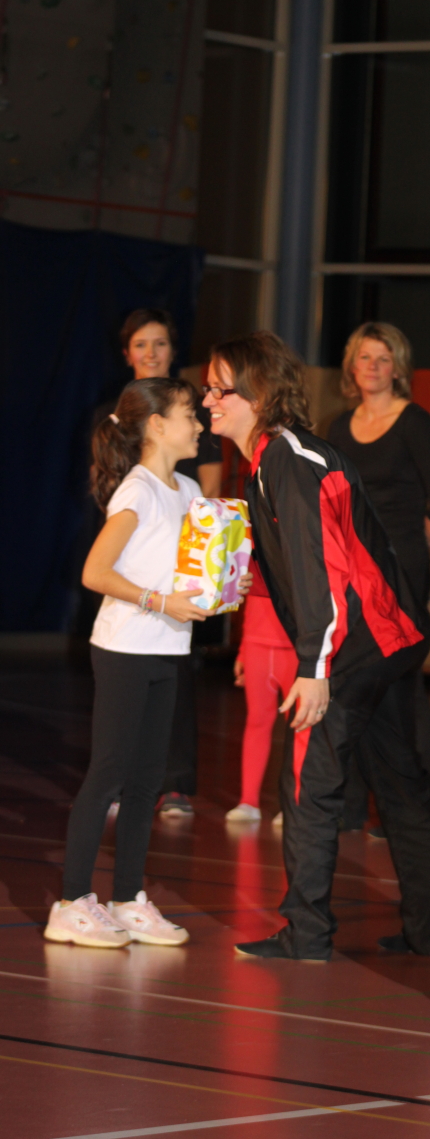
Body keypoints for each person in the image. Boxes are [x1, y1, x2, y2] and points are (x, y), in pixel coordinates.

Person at [202, 331, 430, 961]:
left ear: (257, 393)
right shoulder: (281, 457)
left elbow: (323, 567)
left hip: (355, 646)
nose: (208, 400)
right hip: (386, 638)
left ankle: (308, 933)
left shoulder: (286, 459)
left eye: (219, 389)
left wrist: (314, 668)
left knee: (308, 784)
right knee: (402, 782)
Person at [45, 379, 220, 947]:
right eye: (190, 414)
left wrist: (222, 586)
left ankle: (126, 900)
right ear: (157, 426)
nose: (199, 424)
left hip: (169, 649)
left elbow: (189, 569)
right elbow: (95, 573)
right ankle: (71, 903)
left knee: (147, 781)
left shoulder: (188, 488)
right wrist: (160, 601)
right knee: (109, 775)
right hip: (124, 649)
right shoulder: (137, 491)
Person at [328, 322, 430, 831]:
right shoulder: (339, 427)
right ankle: (350, 805)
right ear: (351, 366)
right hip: (352, 575)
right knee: (352, 686)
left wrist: (404, 549)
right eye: (365, 357)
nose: (374, 367)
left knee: (401, 688)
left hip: (401, 574)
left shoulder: (414, 422)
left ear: (398, 368)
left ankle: (407, 811)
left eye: (384, 358)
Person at [99, 309, 223, 818]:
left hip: (179, 577)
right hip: (136, 591)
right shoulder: (130, 468)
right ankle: (115, 785)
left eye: (161, 344)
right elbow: (99, 563)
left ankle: (171, 784)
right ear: (127, 353)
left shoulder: (188, 453)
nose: (151, 353)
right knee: (121, 716)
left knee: (173, 689)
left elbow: (208, 498)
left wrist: (213, 561)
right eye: (141, 344)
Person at [225, 561, 298, 823]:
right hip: (257, 645)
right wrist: (244, 650)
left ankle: (294, 806)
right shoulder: (255, 548)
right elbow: (250, 595)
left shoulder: (301, 547)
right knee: (257, 721)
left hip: (295, 647)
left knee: (299, 728)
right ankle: (248, 801)